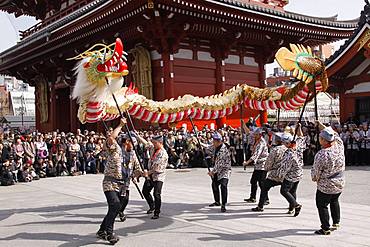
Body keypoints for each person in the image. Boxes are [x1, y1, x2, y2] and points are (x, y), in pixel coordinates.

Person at [311, 121, 345, 235]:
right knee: (334, 200)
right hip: (339, 181)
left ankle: (325, 228)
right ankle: (336, 222)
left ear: (324, 140)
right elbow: (333, 134)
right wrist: (320, 124)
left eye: (320, 137)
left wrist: (315, 178)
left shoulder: (322, 154)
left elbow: (316, 174)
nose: (318, 138)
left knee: (322, 204)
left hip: (327, 184)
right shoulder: (339, 145)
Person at [96, 118, 126, 244]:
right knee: (115, 205)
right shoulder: (111, 146)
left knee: (114, 207)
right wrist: (120, 125)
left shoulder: (120, 149)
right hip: (109, 182)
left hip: (118, 183)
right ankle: (109, 233)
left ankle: (102, 230)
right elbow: (111, 138)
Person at [252, 132, 287, 212]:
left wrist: (267, 169)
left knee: (264, 187)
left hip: (276, 174)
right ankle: (292, 206)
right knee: (290, 190)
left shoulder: (275, 150)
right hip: (286, 173)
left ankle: (260, 206)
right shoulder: (287, 148)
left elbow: (268, 164)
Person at [136, 133, 168, 220]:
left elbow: (157, 168)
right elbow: (147, 144)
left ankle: (157, 212)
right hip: (150, 175)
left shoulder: (163, 154)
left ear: (160, 143)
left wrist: (145, 173)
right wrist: (138, 137)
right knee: (145, 191)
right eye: (153, 143)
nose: (153, 144)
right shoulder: (154, 148)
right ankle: (152, 205)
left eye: (155, 143)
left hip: (158, 176)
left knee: (156, 194)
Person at [276, 124, 306, 216]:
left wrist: (279, 175)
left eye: (284, 143)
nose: (283, 144)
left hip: (291, 175)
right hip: (299, 172)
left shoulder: (289, 153)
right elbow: (301, 137)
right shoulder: (298, 146)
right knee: (292, 191)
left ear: (287, 143)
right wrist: (299, 128)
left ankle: (296, 205)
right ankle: (291, 208)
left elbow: (285, 167)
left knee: (284, 191)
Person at [117, 134, 143, 222]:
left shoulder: (132, 153)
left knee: (125, 198)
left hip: (126, 179)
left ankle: (120, 211)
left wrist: (138, 174)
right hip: (117, 178)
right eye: (132, 144)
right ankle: (117, 212)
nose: (133, 146)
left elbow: (136, 165)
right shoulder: (119, 151)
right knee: (118, 198)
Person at [206, 132, 232, 212]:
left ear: (219, 141)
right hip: (217, 170)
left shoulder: (223, 150)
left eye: (214, 141)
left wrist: (212, 172)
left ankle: (223, 204)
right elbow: (208, 148)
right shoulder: (215, 146)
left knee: (223, 186)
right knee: (214, 185)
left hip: (224, 170)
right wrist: (201, 145)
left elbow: (219, 164)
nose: (213, 142)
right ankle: (217, 201)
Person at [244, 128, 269, 203]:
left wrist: (247, 162)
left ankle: (266, 199)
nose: (254, 135)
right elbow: (249, 133)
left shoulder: (261, 143)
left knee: (262, 183)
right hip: (257, 165)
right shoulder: (256, 140)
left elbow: (256, 154)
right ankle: (252, 197)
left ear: (260, 135)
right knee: (253, 181)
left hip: (262, 165)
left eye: (256, 134)